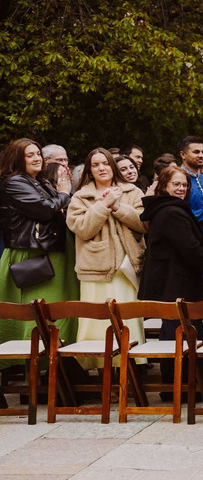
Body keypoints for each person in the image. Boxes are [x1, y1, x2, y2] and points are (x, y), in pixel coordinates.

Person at [0, 139, 78, 368]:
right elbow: (45, 209)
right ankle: (37, 374)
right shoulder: (13, 183)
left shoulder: (39, 181)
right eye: (29, 155)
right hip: (35, 256)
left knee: (60, 313)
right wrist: (64, 193)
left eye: (38, 154)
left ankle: (61, 370)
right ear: (16, 159)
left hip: (54, 252)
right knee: (41, 315)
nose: (37, 158)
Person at [67, 148, 147, 369]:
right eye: (95, 165)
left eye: (106, 163)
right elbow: (81, 228)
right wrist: (103, 205)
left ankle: (131, 371)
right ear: (89, 170)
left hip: (127, 268)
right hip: (95, 270)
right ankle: (101, 373)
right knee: (96, 323)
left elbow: (144, 223)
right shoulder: (80, 197)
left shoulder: (132, 192)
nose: (101, 168)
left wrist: (118, 206)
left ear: (113, 166)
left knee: (127, 319)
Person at [139, 165, 203, 389]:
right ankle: (184, 387)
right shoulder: (171, 212)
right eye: (176, 184)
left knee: (176, 332)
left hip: (173, 283)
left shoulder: (170, 208)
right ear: (164, 186)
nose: (181, 188)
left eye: (184, 184)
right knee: (185, 334)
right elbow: (190, 249)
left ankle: (178, 387)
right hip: (176, 284)